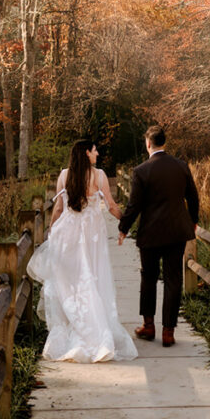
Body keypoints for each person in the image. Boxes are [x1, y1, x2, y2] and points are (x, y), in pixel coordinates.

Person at [27, 140, 137, 362]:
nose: (97, 153)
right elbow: (113, 206)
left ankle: (75, 325)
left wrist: (51, 232)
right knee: (92, 278)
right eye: (94, 150)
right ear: (87, 153)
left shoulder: (64, 175)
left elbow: (58, 208)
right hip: (90, 237)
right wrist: (126, 223)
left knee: (71, 281)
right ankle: (95, 332)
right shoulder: (99, 176)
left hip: (67, 234)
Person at [117, 125, 199, 347]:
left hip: (151, 234)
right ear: (164, 143)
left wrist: (123, 227)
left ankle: (149, 326)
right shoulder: (181, 166)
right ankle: (169, 332)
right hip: (176, 232)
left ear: (148, 144)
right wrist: (193, 221)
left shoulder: (141, 171)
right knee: (174, 279)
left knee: (149, 278)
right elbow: (193, 196)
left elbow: (134, 205)